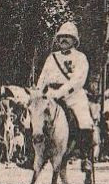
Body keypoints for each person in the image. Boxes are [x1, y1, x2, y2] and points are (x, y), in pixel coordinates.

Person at [36, 21, 93, 153]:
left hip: (73, 95)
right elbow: (42, 77)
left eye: (68, 36)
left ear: (74, 40)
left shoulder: (80, 57)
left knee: (84, 120)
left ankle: (85, 156)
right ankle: (29, 153)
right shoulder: (52, 57)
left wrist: (61, 92)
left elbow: (78, 80)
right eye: (61, 36)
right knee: (33, 117)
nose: (64, 39)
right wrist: (38, 93)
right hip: (50, 94)